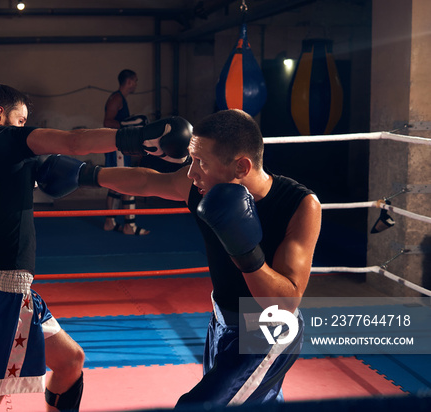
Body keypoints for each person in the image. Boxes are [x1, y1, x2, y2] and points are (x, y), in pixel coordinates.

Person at [0, 83, 192, 412]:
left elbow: (101, 176)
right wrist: (139, 138)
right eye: (21, 120)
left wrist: (173, 184)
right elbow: (74, 142)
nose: (24, 128)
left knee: (70, 361)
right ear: (0, 115)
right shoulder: (4, 139)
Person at [51, 109, 321, 407]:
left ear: (241, 166)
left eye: (201, 163)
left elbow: (285, 303)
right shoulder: (200, 186)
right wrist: (86, 175)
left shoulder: (300, 205)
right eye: (192, 160)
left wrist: (246, 251)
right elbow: (147, 182)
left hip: (267, 333)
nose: (191, 173)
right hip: (221, 322)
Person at [102, 69, 150, 235]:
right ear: (129, 82)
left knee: (115, 185)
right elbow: (107, 121)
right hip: (117, 147)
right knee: (126, 183)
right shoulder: (116, 98)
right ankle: (129, 226)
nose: (136, 84)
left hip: (119, 146)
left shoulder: (120, 99)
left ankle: (109, 222)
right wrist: (126, 125)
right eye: (135, 81)